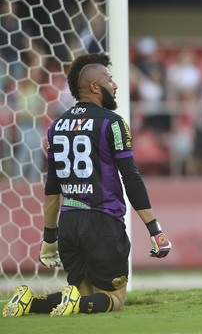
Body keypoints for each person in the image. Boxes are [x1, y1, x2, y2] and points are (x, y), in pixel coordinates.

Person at [2, 53, 171, 317]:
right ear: (95, 87)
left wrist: (49, 237)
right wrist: (154, 229)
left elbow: (52, 187)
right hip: (102, 223)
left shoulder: (57, 125)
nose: (115, 85)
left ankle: (29, 302)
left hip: (69, 225)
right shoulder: (112, 123)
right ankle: (66, 303)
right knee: (114, 298)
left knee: (82, 295)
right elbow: (131, 178)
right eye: (110, 79)